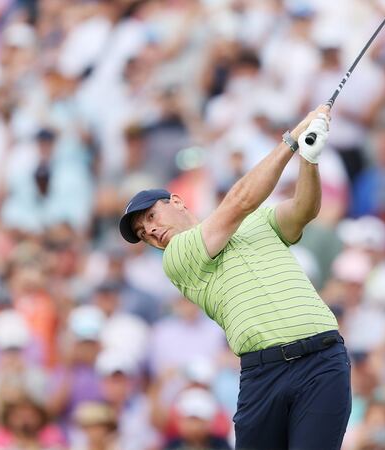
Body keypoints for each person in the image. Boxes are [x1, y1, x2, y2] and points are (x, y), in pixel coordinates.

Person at [118, 105, 351, 448]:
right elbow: (240, 201)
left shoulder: (256, 222)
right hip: (263, 373)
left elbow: (303, 210)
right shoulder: (178, 258)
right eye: (142, 232)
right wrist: (294, 139)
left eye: (152, 216)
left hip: (322, 359)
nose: (150, 230)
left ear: (178, 202)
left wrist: (310, 160)